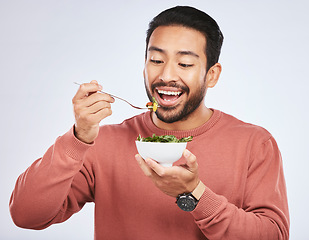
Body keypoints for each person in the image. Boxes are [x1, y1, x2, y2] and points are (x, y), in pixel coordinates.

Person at [9, 6, 289, 240]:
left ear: (212, 75)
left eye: (185, 64)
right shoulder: (104, 143)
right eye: (156, 60)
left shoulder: (255, 143)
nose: (166, 75)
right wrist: (78, 138)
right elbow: (25, 215)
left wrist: (194, 194)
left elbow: (273, 234)